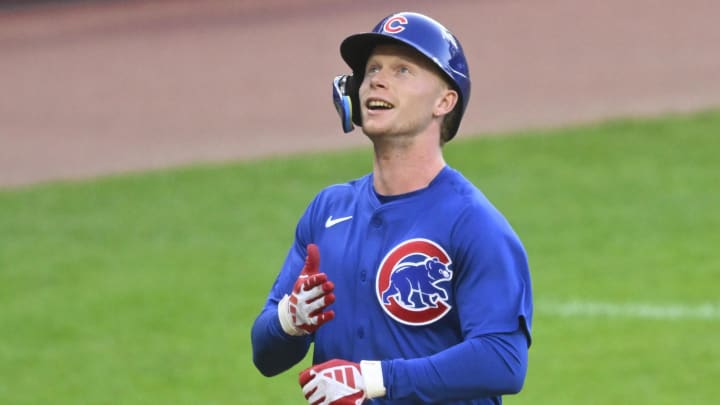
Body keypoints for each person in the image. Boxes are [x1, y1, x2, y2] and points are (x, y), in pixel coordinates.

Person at [251, 11, 533, 405]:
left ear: (444, 101)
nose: (377, 80)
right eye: (372, 70)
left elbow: (503, 360)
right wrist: (289, 321)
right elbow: (265, 355)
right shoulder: (327, 211)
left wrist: (373, 379)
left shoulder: (472, 222)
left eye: (403, 70)